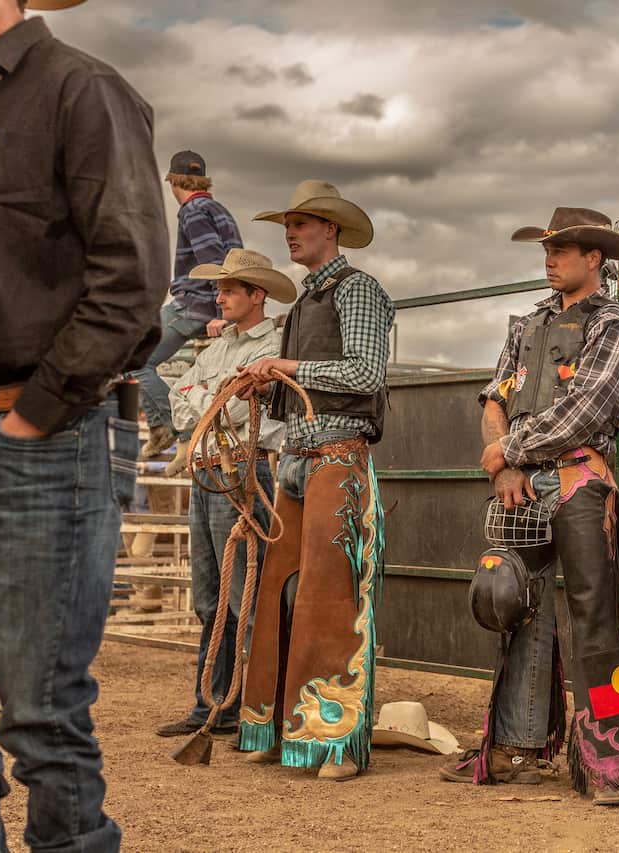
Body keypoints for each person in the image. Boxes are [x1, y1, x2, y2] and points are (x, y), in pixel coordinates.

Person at [0, 0, 168, 848]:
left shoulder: (83, 89)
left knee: (39, 711)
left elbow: (133, 273)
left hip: (43, 433)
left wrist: (34, 415)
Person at [439, 207, 619, 807]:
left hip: (580, 478)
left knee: (596, 616)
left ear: (594, 259)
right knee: (514, 605)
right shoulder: (527, 324)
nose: (550, 259)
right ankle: (516, 748)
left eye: (563, 250)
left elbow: (589, 406)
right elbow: (494, 394)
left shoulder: (614, 323)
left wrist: (508, 449)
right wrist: (503, 461)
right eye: (547, 250)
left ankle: (611, 760)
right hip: (524, 481)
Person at [235, 181, 393, 782]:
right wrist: (265, 380)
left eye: (302, 223)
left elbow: (366, 372)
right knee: (276, 591)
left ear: (331, 229)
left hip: (337, 456)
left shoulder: (357, 290)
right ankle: (274, 725)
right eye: (288, 224)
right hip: (298, 458)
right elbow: (305, 384)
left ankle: (334, 740)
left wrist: (287, 365)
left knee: (329, 597)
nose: (291, 233)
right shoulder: (305, 303)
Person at [155, 249, 294, 740]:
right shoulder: (218, 348)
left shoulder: (271, 345)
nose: (220, 298)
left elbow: (229, 410)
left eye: (230, 290)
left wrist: (204, 399)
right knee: (211, 598)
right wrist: (208, 399)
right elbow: (184, 401)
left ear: (257, 295)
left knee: (244, 598)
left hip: (239, 474)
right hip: (209, 473)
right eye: (221, 289)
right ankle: (214, 704)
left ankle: (250, 708)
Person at [135, 149, 244, 459]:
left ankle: (172, 429)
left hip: (194, 304)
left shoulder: (192, 211)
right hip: (210, 302)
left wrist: (220, 309)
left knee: (135, 356)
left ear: (172, 181)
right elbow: (229, 259)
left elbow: (211, 260)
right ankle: (166, 430)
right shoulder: (217, 209)